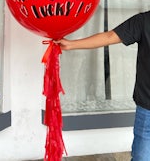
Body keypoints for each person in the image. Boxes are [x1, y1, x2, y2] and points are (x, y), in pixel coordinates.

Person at [55, 10, 150, 161]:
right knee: (142, 157)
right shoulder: (144, 21)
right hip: (148, 107)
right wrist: (72, 44)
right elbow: (110, 36)